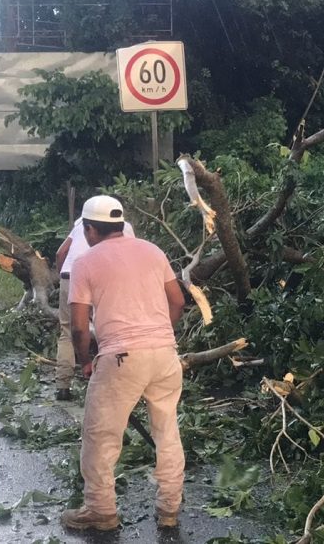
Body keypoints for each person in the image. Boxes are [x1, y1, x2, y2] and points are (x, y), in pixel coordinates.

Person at [61, 195, 186, 531]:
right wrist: (158, 335)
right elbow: (178, 301)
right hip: (165, 354)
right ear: (119, 224)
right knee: (167, 431)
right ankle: (170, 507)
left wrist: (85, 362)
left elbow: (78, 327)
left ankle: (100, 510)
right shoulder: (153, 251)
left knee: (101, 435)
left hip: (120, 357)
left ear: (89, 229)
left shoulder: (85, 262)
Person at [53, 216, 136, 401]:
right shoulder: (125, 227)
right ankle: (110, 383)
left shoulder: (83, 221)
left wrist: (63, 281)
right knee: (109, 327)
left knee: (67, 332)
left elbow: (61, 253)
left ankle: (63, 386)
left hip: (69, 275)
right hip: (103, 276)